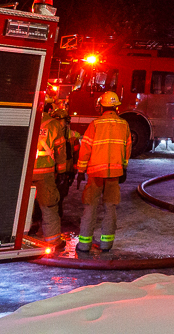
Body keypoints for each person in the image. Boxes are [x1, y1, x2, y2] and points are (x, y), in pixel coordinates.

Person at [75, 90, 131, 254]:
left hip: (95, 174)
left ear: (101, 106)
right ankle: (106, 244)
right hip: (114, 174)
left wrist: (80, 170)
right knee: (110, 208)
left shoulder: (95, 124)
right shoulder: (124, 125)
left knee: (90, 207)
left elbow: (85, 149)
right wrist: (124, 168)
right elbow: (127, 150)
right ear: (116, 108)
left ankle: (84, 245)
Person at [31, 91, 71, 250]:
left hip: (25, 174)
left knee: (24, 206)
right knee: (48, 206)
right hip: (45, 174)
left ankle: (23, 236)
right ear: (47, 107)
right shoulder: (53, 125)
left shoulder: (26, 119)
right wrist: (62, 172)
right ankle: (53, 240)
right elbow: (61, 152)